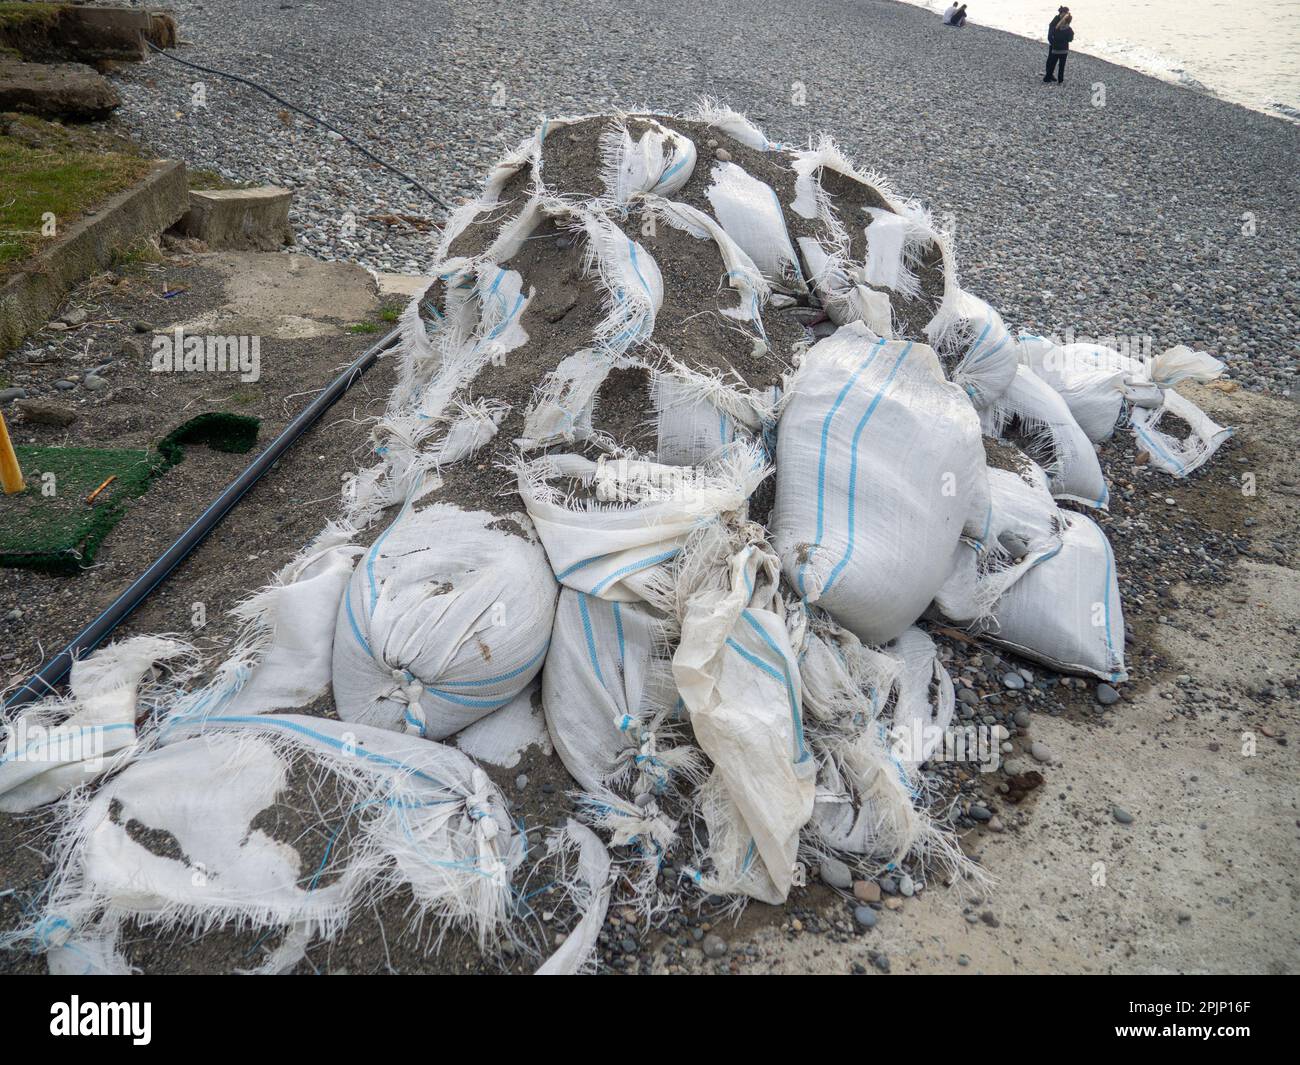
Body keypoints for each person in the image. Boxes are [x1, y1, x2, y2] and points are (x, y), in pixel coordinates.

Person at [1044, 12, 1073, 83]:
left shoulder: (1057, 28)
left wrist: (1053, 43)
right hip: (1064, 50)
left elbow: (1052, 35)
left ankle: (1047, 78)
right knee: (1061, 66)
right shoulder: (1069, 29)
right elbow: (1070, 39)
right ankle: (1060, 80)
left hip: (1055, 49)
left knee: (1052, 64)